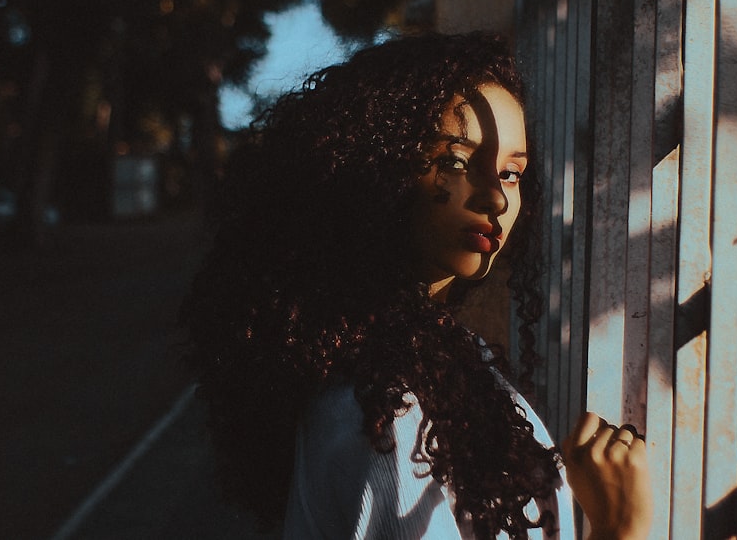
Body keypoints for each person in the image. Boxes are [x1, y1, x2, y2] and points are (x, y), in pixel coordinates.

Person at [179, 32, 652, 539]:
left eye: (512, 172)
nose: (495, 197)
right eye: (454, 161)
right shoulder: (380, 414)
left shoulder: (438, 362)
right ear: (375, 168)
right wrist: (620, 526)